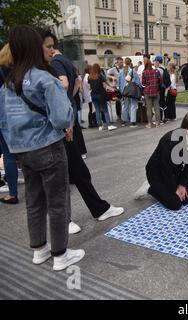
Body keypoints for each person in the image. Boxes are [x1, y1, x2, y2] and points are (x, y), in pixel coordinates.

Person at [0, 26, 85, 270]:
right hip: (48, 146)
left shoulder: (9, 81)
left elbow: (4, 120)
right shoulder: (44, 79)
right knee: (58, 202)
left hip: (22, 150)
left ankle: (39, 249)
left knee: (34, 201)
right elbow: (61, 118)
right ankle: (61, 255)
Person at [39, 29, 125, 233]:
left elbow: (69, 86)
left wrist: (66, 115)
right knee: (55, 181)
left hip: (59, 129)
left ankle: (97, 209)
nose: (53, 50)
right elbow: (66, 85)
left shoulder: (50, 64)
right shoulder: (44, 69)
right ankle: (63, 222)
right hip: (48, 134)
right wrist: (65, 114)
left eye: (53, 46)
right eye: (48, 46)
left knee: (76, 172)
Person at [134, 112, 188, 210]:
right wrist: (175, 189)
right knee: (175, 204)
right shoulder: (172, 140)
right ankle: (150, 188)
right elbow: (165, 168)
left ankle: (164, 190)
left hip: (174, 172)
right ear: (187, 128)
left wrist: (182, 185)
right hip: (158, 173)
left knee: (186, 200)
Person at [0, 43, 19, 204]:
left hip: (4, 115)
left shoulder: (2, 69)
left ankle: (13, 193)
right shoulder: (19, 70)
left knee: (8, 154)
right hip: (18, 113)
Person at [88, 64, 117, 131]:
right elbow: (106, 84)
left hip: (93, 95)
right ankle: (109, 125)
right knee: (105, 110)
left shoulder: (90, 77)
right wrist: (112, 85)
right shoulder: (100, 76)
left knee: (97, 110)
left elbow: (90, 87)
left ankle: (100, 126)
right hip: (101, 94)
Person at [119, 57, 141, 127]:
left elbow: (119, 83)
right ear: (131, 62)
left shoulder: (121, 72)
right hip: (132, 91)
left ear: (124, 62)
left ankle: (124, 121)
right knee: (133, 105)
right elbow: (138, 82)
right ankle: (133, 121)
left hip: (124, 91)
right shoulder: (133, 72)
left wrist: (121, 90)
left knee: (125, 106)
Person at [142, 58, 161, 128]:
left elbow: (143, 83)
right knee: (156, 107)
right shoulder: (156, 71)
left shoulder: (144, 72)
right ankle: (157, 123)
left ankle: (150, 124)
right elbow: (160, 81)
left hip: (148, 91)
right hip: (156, 91)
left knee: (149, 108)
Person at [107, 57, 124, 122]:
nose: (121, 63)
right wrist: (112, 77)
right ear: (117, 63)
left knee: (125, 102)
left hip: (124, 87)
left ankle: (125, 115)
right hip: (117, 88)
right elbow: (107, 74)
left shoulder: (124, 68)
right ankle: (118, 115)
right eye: (120, 62)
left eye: (122, 62)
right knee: (118, 102)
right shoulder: (114, 69)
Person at [153, 55, 167, 124]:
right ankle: (165, 117)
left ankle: (160, 119)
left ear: (158, 62)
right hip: (163, 88)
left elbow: (156, 80)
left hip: (159, 88)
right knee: (163, 103)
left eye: (155, 61)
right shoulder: (164, 68)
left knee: (159, 103)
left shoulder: (158, 70)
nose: (154, 63)